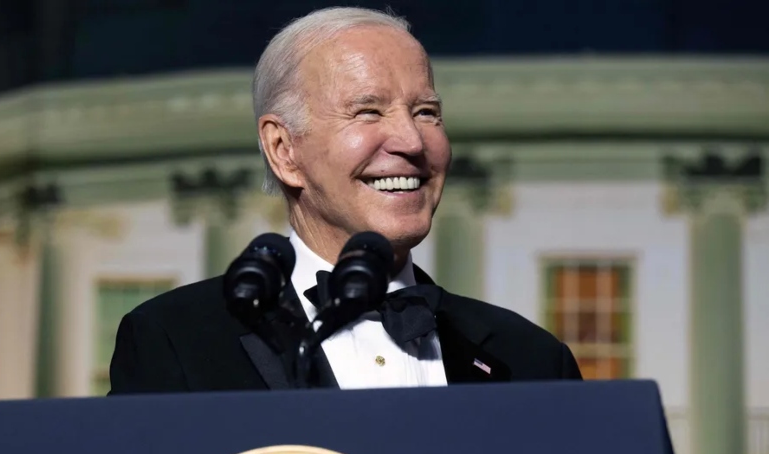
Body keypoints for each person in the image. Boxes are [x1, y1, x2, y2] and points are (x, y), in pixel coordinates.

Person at [108, 7, 582, 394]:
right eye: (368, 111)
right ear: (284, 150)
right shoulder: (174, 340)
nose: (412, 141)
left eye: (426, 112)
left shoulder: (533, 360)